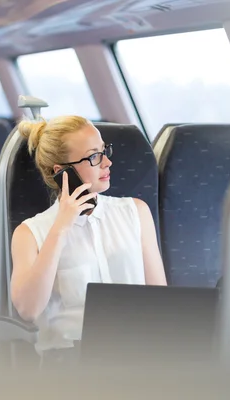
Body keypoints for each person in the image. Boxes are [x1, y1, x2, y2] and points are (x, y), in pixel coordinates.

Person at [10, 115, 167, 366]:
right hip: (70, 366)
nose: (107, 162)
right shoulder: (30, 233)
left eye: (104, 151)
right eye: (94, 156)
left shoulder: (136, 213)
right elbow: (28, 309)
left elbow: (160, 302)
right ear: (63, 172)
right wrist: (61, 228)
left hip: (136, 358)